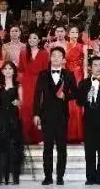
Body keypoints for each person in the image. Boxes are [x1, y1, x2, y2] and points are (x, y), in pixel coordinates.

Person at [34, 46, 77, 186]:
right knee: (47, 148)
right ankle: (48, 177)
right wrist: (36, 114)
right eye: (54, 55)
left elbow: (76, 93)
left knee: (61, 148)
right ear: (50, 57)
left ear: (63, 59)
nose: (56, 58)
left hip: (62, 116)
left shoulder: (69, 74)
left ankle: (60, 176)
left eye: (59, 55)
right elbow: (37, 95)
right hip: (46, 115)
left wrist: (66, 96)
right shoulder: (43, 74)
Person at [77, 56, 100, 185]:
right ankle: (90, 177)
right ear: (90, 67)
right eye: (95, 65)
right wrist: (86, 97)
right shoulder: (83, 83)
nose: (98, 68)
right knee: (89, 151)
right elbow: (79, 102)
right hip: (89, 121)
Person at [0, 60, 25, 186]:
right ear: (2, 71)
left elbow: (21, 102)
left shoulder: (18, 86)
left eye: (10, 68)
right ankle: (1, 176)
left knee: (13, 148)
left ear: (14, 71)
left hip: (13, 119)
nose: (8, 71)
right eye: (5, 69)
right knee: (1, 147)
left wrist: (18, 102)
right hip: (1, 119)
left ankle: (13, 177)